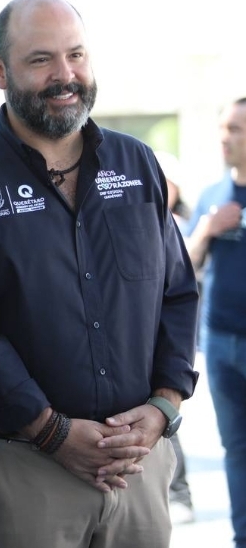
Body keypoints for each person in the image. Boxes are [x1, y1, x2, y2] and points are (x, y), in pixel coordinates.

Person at [0, 0, 199, 548]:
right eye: (41, 60)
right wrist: (50, 429)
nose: (65, 75)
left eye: (76, 55)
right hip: (25, 468)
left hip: (139, 466)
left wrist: (164, 407)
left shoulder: (135, 163)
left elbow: (177, 293)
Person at [186, 98, 246, 548]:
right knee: (236, 449)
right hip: (220, 343)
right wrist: (208, 229)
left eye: (236, 129)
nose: (225, 138)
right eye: (224, 128)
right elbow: (182, 266)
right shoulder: (212, 196)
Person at [155, 151, 196, 524]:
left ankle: (180, 494)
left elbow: (183, 285)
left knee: (165, 419)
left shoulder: (176, 222)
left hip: (165, 352)